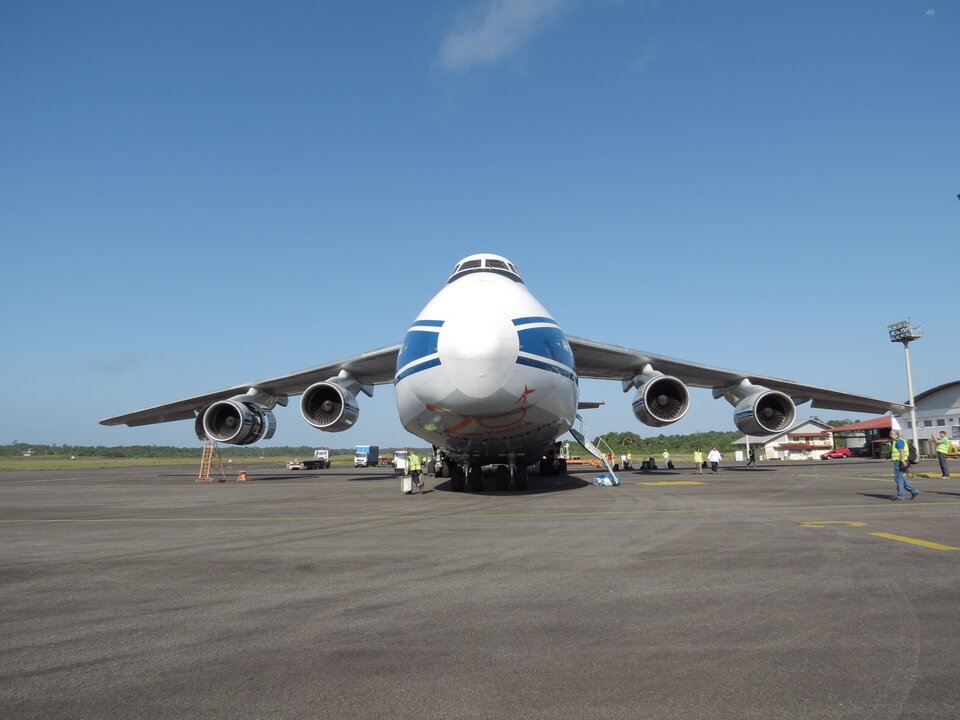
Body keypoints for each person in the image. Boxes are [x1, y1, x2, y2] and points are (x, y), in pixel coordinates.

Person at [889, 430, 918, 501]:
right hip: (901, 461)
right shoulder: (900, 441)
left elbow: (902, 451)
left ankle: (900, 496)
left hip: (900, 462)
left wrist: (902, 460)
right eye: (890, 434)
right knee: (899, 478)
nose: (890, 435)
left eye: (891, 434)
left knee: (899, 479)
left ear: (896, 435)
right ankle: (913, 491)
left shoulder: (898, 441)